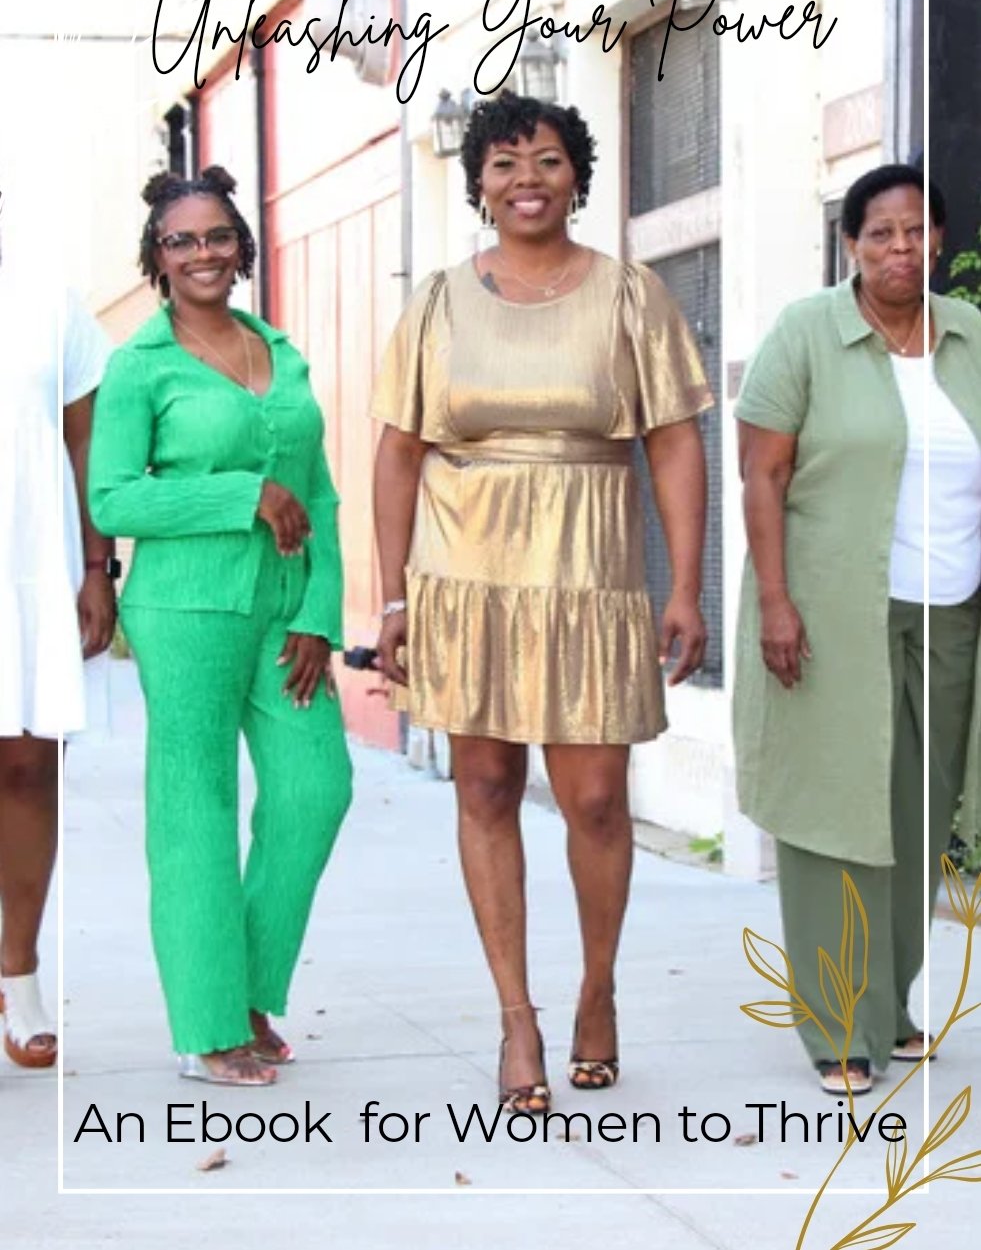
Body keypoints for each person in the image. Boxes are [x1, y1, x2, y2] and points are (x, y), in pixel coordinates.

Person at [372, 92, 713, 1114]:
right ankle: (515, 1014)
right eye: (506, 163)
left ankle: (596, 989)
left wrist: (683, 584)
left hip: (587, 574)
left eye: (550, 160)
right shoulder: (438, 302)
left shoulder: (630, 296)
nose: (528, 180)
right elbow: (397, 451)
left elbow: (674, 442)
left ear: (578, 176)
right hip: (467, 575)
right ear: (479, 183)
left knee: (596, 799)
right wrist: (392, 599)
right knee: (484, 787)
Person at [88, 166, 352, 1087]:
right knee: (194, 807)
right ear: (157, 258)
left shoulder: (280, 350)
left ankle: (245, 991)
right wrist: (245, 493)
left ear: (241, 247)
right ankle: (206, 1025)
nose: (201, 253)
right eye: (181, 241)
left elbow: (320, 493)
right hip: (184, 609)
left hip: (284, 609)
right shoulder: (139, 366)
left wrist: (319, 612)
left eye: (216, 237)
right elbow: (113, 498)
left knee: (315, 789)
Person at [734, 164, 981, 1095]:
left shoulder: (969, 338)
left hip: (948, 612)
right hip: (832, 615)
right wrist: (774, 601)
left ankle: (890, 1002)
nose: (899, 247)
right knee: (834, 811)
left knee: (918, 819)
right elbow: (760, 475)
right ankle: (837, 1021)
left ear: (938, 240)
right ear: (850, 244)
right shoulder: (807, 332)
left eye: (915, 230)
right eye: (880, 232)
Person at [0, 188, 116, 1068]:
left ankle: (20, 973)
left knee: (29, 763)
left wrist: (95, 566)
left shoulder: (49, 300)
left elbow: (86, 445)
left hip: (32, 561)